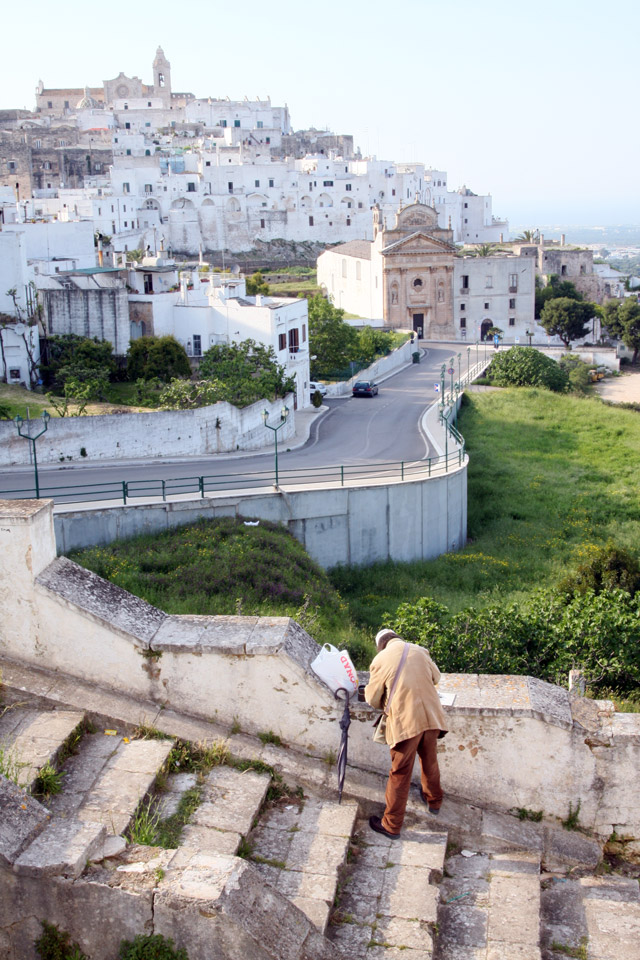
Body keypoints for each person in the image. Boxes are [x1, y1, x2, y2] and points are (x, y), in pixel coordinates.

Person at [364, 627, 448, 839]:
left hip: (406, 723)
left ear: (380, 645)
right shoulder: (420, 650)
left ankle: (391, 825)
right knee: (430, 760)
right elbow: (436, 677)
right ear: (396, 638)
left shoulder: (381, 659)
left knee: (400, 772)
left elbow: (372, 699)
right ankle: (434, 800)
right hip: (432, 716)